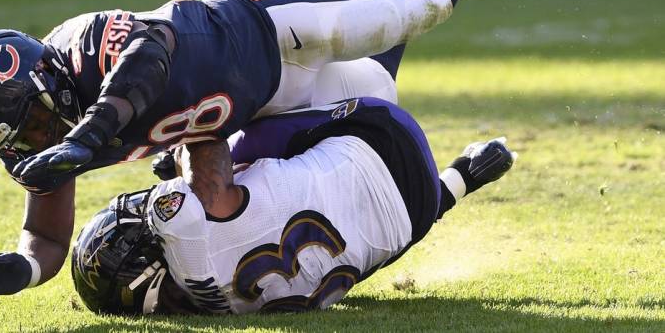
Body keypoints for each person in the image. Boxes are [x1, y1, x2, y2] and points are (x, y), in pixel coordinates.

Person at [0, 0, 642, 300]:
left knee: (423, 5)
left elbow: (154, 56)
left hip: (265, 21)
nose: (37, 139)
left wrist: (86, 138)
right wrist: (18, 269)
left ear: (47, 82)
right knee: (377, 91)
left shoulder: (84, 50)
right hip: (261, 100)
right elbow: (48, 236)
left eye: (38, 120)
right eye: (22, 137)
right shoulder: (45, 138)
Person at [67, 97, 517, 314]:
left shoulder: (222, 310)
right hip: (383, 139)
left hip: (413, 215)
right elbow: (197, 169)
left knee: (355, 244)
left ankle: (463, 177)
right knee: (233, 116)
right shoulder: (192, 221)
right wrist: (182, 152)